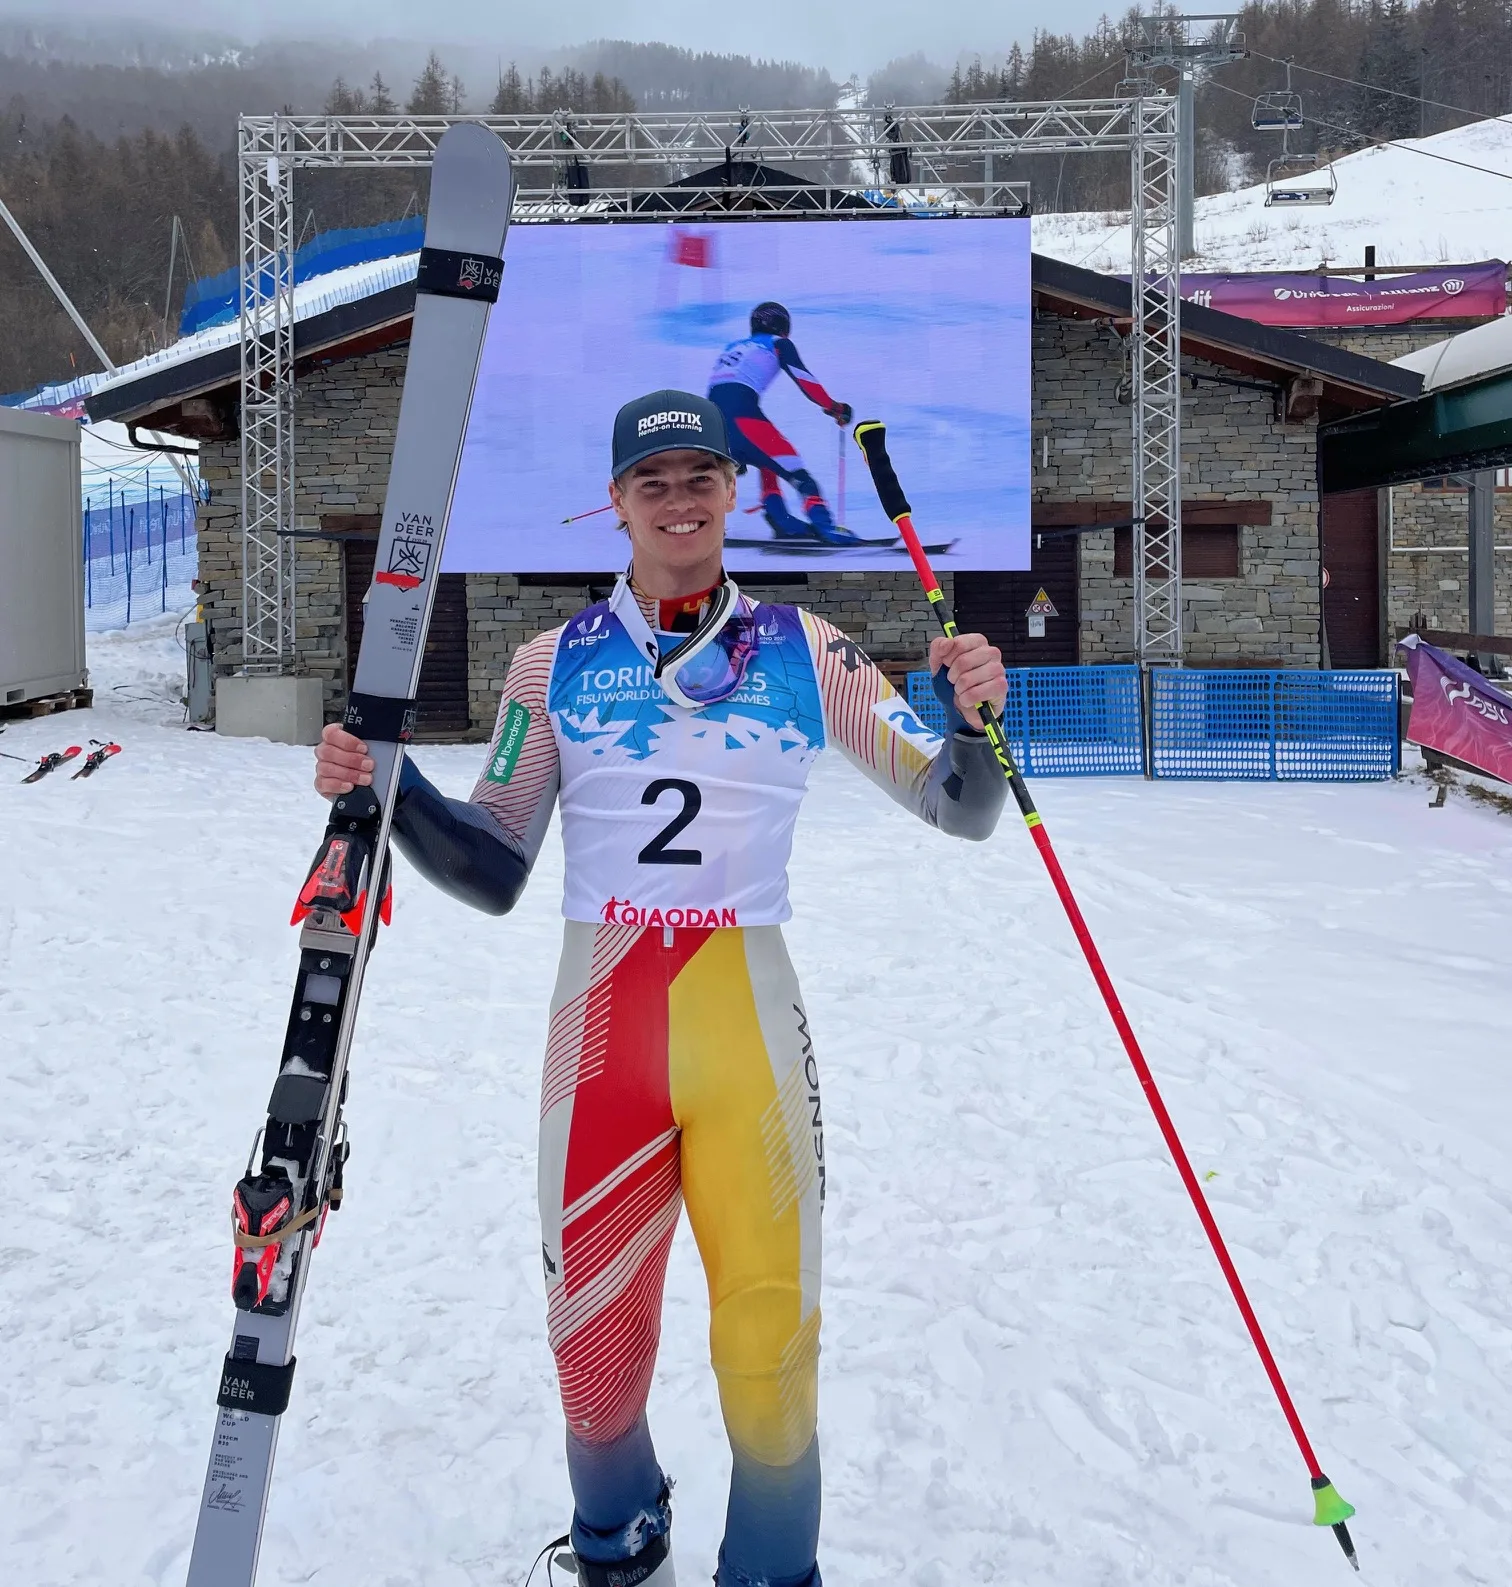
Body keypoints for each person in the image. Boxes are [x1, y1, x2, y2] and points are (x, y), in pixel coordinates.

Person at [314, 389, 1008, 1587]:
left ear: (735, 491)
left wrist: (978, 723)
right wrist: (395, 789)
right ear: (617, 504)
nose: (679, 499)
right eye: (654, 481)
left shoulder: (805, 651)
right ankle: (619, 1545)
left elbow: (957, 808)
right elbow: (492, 864)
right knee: (592, 1351)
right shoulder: (553, 665)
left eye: (701, 476)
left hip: (748, 1023)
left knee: (768, 1353)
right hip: (602, 1033)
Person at [708, 302, 855, 547]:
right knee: (799, 475)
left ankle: (781, 519)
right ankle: (826, 527)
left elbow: (718, 389)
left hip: (714, 425)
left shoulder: (732, 347)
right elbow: (805, 379)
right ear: (783, 326)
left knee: (767, 463)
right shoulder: (778, 344)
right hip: (745, 419)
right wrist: (835, 408)